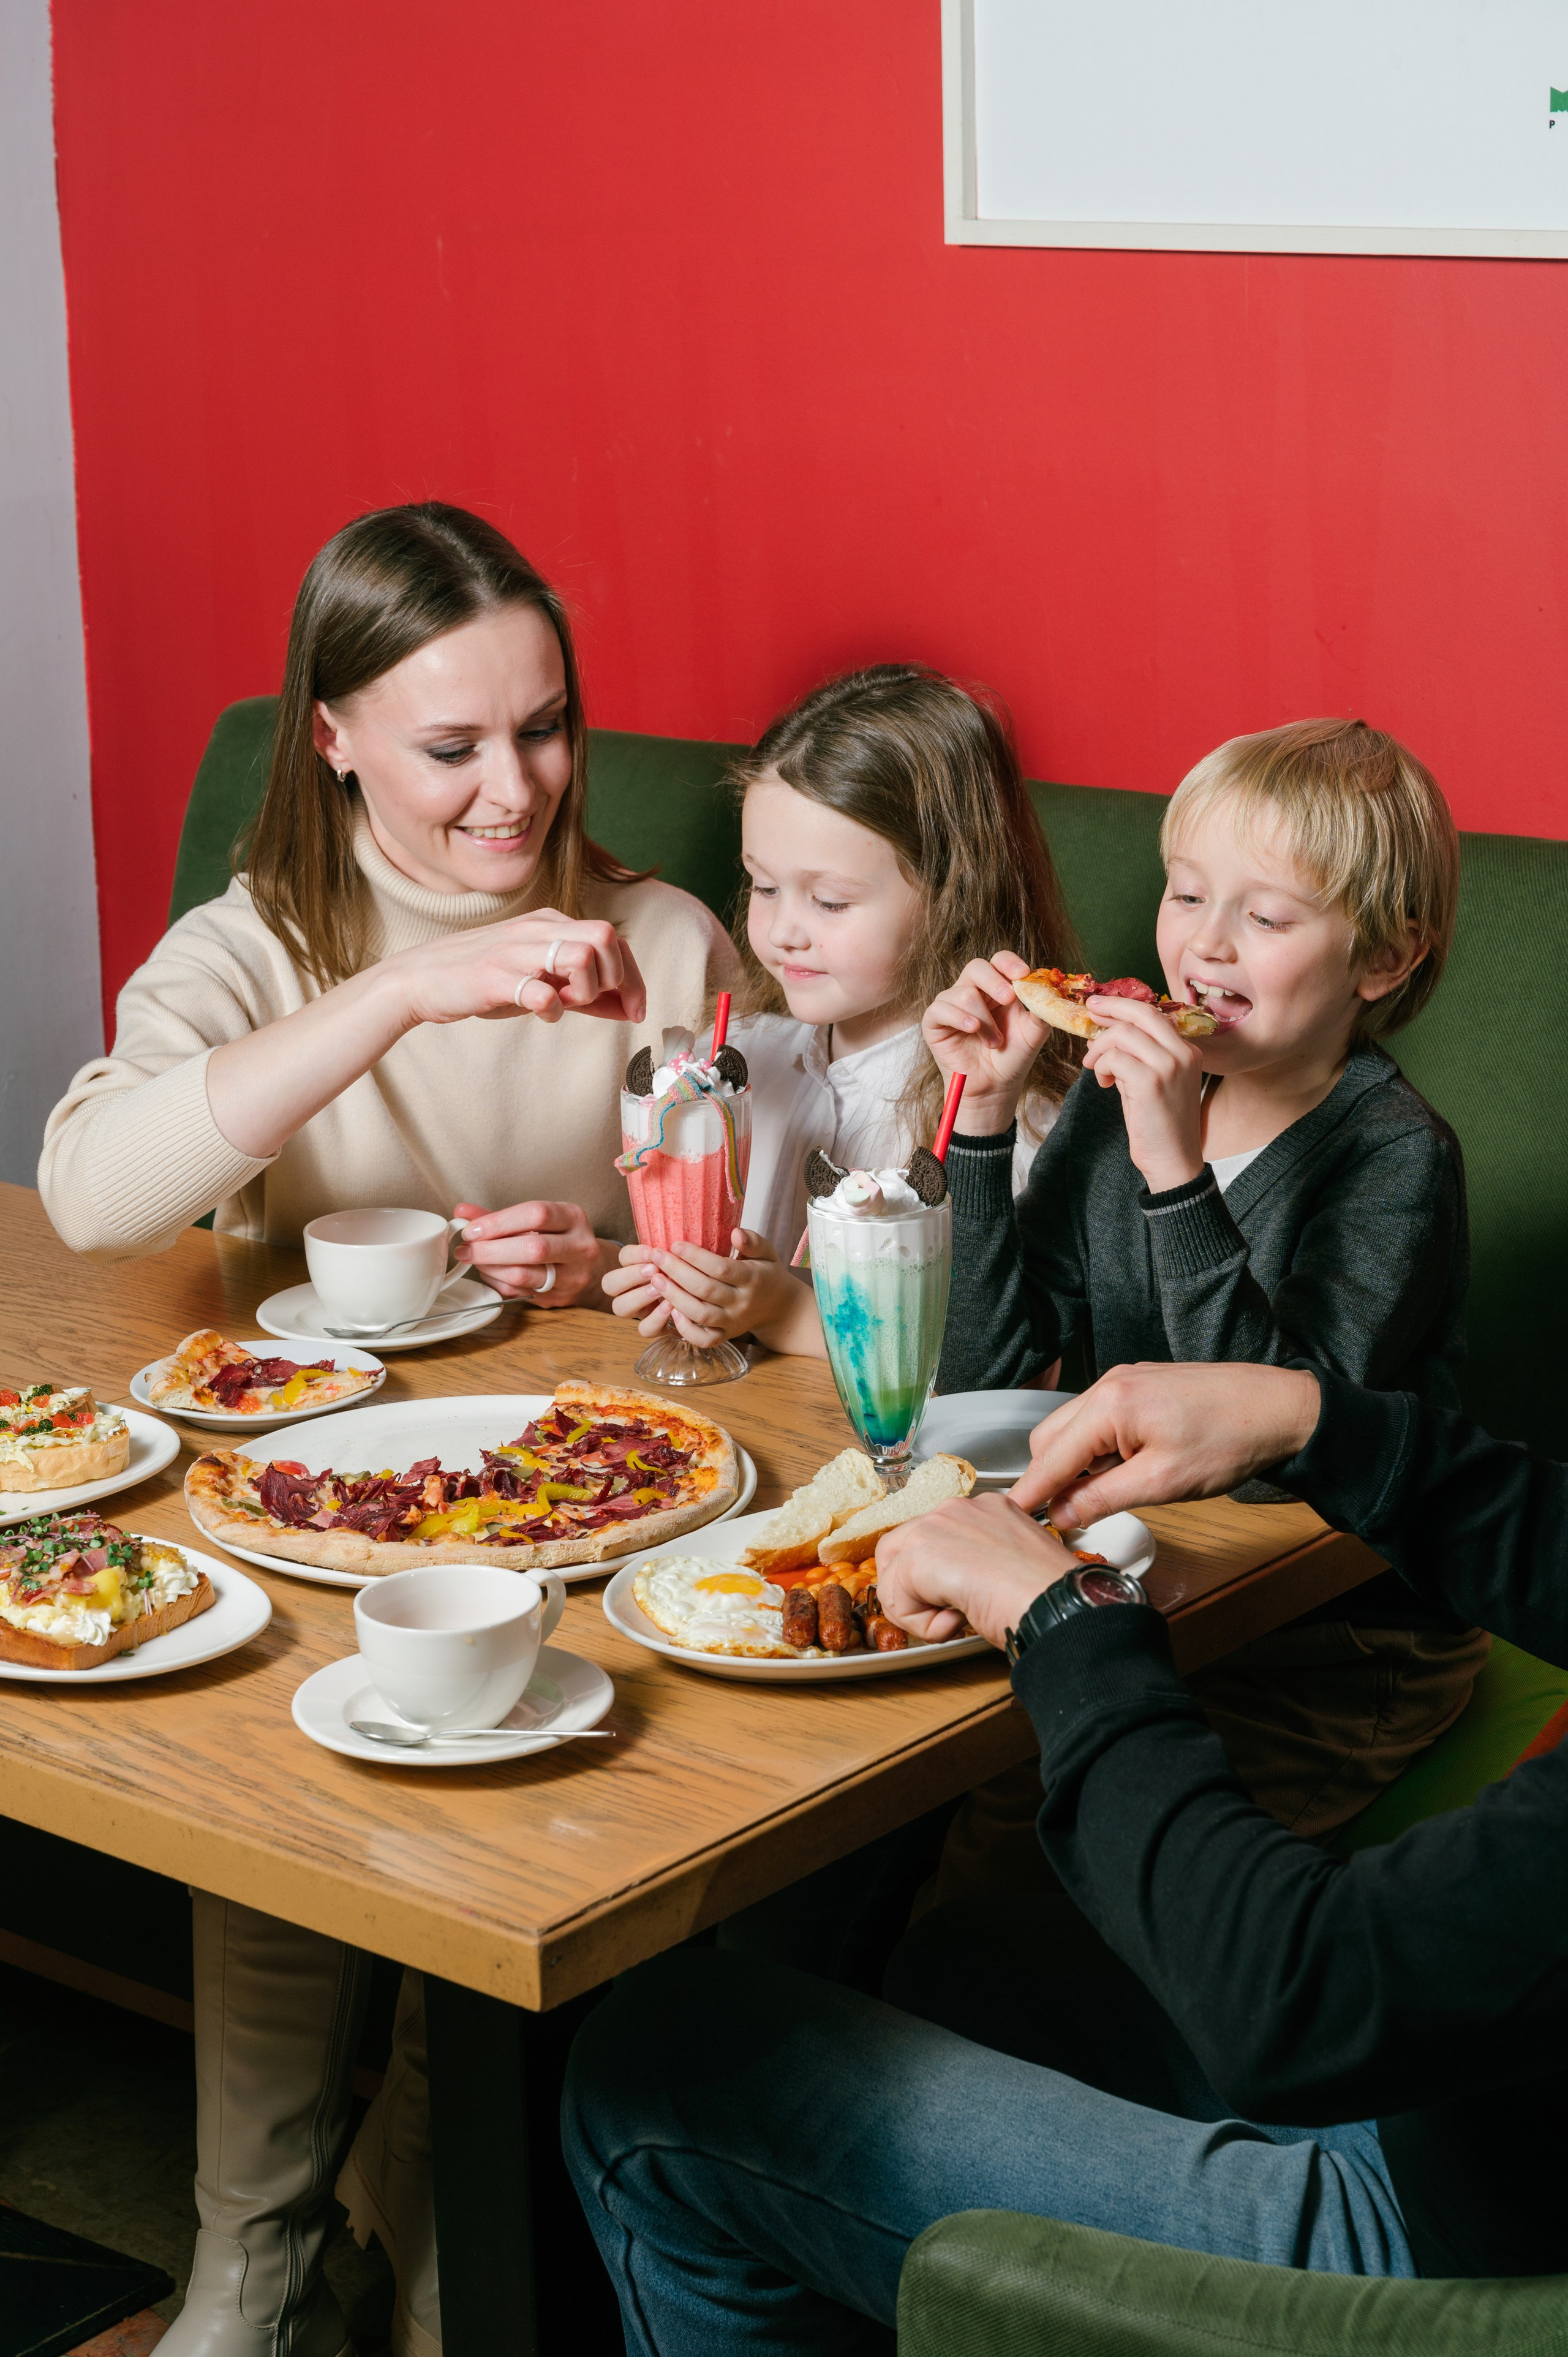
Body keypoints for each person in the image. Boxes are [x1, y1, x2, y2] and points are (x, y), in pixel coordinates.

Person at [37, 502, 737, 2357]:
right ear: (330, 736)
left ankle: (413, 2231)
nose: (512, 792)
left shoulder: (658, 939)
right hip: (318, 1508)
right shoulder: (259, 941)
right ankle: (253, 2263)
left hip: (584, 1514)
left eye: (544, 726)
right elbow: (97, 1191)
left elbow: (738, 1263)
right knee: (286, 1710)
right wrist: (402, 989)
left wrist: (618, 1260)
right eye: (451, 746)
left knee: (491, 1729)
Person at [562, 1355, 1568, 2352]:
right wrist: (1317, 1423)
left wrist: (1066, 1620)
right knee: (969, 1959)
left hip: (1467, 2272)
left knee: (656, 2067)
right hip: (1491, 2107)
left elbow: (1296, 1999)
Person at [922, 718, 1486, 1853]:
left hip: (1336, 1642)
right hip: (1150, 1587)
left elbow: (1283, 1454)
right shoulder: (1109, 1090)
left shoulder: (1396, 1158)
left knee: (1034, 1844)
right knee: (899, 1821)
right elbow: (986, 1377)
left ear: (1383, 959)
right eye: (1186, 896)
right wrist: (981, 1124)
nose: (1204, 950)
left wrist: (1176, 1171)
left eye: (1266, 917)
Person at [602, 663, 1078, 1356]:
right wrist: (641, 1280)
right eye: (763, 886)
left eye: (829, 901)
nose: (785, 929)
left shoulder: (1007, 1116)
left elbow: (991, 1362)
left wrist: (787, 1308)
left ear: (953, 891)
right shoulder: (732, 1062)